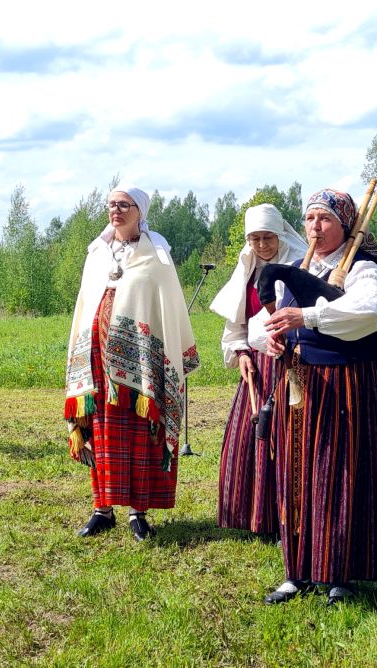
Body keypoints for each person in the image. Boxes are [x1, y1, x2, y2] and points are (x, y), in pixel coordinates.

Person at [260, 188, 377, 606]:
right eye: (309, 220)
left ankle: (340, 573)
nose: (315, 228)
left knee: (339, 473)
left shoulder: (359, 267)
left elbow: (372, 313)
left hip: (346, 383)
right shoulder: (297, 266)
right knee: (296, 474)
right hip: (300, 383)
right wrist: (268, 338)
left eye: (324, 220)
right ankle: (297, 570)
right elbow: (262, 321)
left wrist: (309, 316)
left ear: (345, 226)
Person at [64, 185, 199, 542]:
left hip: (140, 359)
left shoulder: (157, 257)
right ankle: (101, 509)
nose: (116, 211)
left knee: (138, 431)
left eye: (124, 205)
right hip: (96, 354)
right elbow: (84, 304)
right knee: (99, 429)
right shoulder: (96, 254)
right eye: (111, 205)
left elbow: (166, 308)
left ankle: (137, 512)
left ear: (140, 211)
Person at [208, 203, 307, 538]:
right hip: (259, 368)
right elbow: (236, 322)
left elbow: (311, 314)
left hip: (294, 364)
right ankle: (255, 517)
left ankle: (291, 518)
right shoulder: (248, 269)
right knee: (250, 437)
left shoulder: (300, 264)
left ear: (280, 234)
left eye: (268, 237)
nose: (262, 245)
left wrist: (290, 344)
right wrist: (242, 352)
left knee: (290, 437)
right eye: (255, 239)